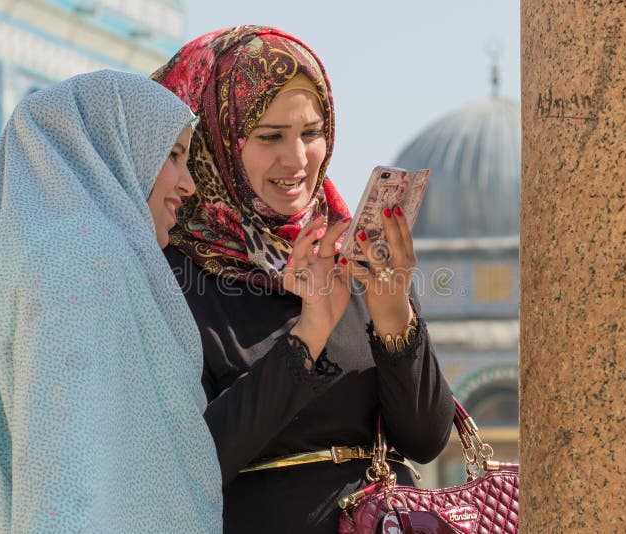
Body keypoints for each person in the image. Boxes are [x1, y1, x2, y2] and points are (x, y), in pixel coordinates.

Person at [152, 26, 455, 533]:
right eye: (270, 136)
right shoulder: (177, 273)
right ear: (215, 141)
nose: (297, 160)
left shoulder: (354, 258)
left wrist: (393, 315)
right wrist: (309, 333)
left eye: (311, 133)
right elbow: (190, 465)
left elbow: (426, 438)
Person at [0, 70, 222, 532]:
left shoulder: (3, 266)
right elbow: (68, 475)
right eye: (173, 156)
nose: (188, 184)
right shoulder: (82, 258)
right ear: (112, 148)